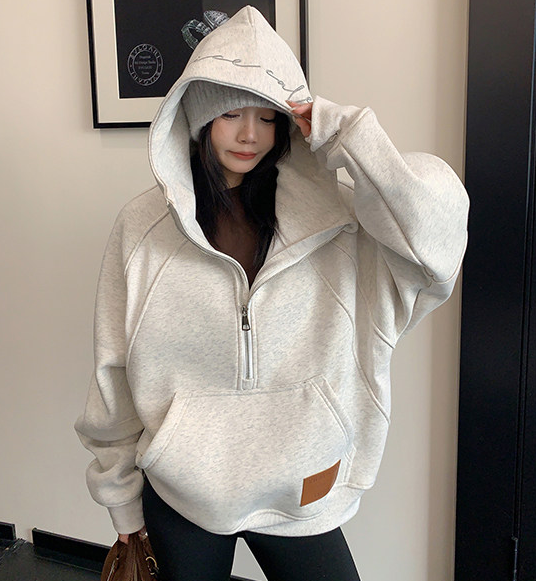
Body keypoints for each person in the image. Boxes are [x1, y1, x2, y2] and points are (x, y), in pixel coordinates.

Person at [75, 6, 469, 581]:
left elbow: (436, 240)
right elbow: (112, 369)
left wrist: (348, 135)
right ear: (198, 116)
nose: (250, 135)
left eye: (267, 116)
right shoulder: (143, 229)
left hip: (301, 485)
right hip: (183, 492)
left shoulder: (338, 221)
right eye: (230, 113)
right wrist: (121, 501)